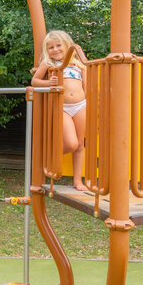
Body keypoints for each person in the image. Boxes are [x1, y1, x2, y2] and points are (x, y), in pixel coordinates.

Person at [30, 30, 88, 191]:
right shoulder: (49, 64)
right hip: (62, 107)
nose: (55, 49)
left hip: (80, 105)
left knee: (79, 145)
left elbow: (86, 87)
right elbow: (34, 81)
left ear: (67, 45)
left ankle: (78, 181)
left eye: (58, 45)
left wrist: (88, 104)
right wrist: (48, 83)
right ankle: (50, 157)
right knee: (71, 143)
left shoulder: (79, 64)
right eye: (50, 47)